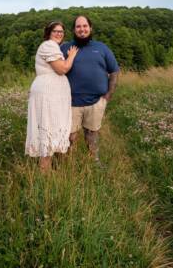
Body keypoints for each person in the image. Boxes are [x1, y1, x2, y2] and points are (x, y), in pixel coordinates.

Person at [61, 15, 119, 162]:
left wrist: (108, 95)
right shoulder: (65, 48)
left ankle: (94, 161)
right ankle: (69, 165)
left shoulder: (101, 47)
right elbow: (56, 69)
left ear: (90, 28)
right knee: (70, 136)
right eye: (78, 26)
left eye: (85, 26)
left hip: (96, 102)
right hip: (70, 102)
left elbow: (114, 71)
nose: (82, 29)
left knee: (92, 135)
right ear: (74, 30)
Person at [25, 21, 78, 173]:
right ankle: (44, 173)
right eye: (55, 31)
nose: (59, 33)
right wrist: (72, 55)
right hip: (47, 94)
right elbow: (62, 69)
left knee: (51, 128)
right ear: (48, 33)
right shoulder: (48, 45)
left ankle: (49, 171)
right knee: (47, 128)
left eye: (61, 31)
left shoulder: (54, 47)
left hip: (52, 95)